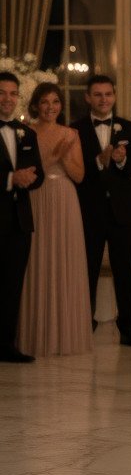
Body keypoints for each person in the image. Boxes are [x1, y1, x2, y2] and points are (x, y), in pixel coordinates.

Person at [18, 83, 92, 358]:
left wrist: (66, 157)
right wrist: (55, 155)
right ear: (36, 105)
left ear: (61, 105)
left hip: (64, 198)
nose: (51, 107)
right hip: (35, 197)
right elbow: (31, 172)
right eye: (45, 102)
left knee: (64, 259)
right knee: (35, 259)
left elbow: (80, 176)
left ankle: (64, 334)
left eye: (56, 102)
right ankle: (33, 335)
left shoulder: (71, 134)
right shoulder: (25, 132)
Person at [73, 74, 131, 348]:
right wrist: (99, 161)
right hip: (88, 212)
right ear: (87, 98)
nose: (103, 99)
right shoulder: (75, 130)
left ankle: (128, 329)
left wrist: (122, 161)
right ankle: (83, 326)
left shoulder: (129, 128)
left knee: (125, 271)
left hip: (122, 213)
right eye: (97, 94)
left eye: (108, 94)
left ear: (114, 96)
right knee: (86, 272)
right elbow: (74, 172)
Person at [0, 72, 44, 363]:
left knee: (12, 285)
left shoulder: (27, 133)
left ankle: (6, 346)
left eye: (13, 93)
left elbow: (38, 173)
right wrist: (10, 179)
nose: (8, 99)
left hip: (19, 221)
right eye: (2, 93)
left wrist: (30, 178)